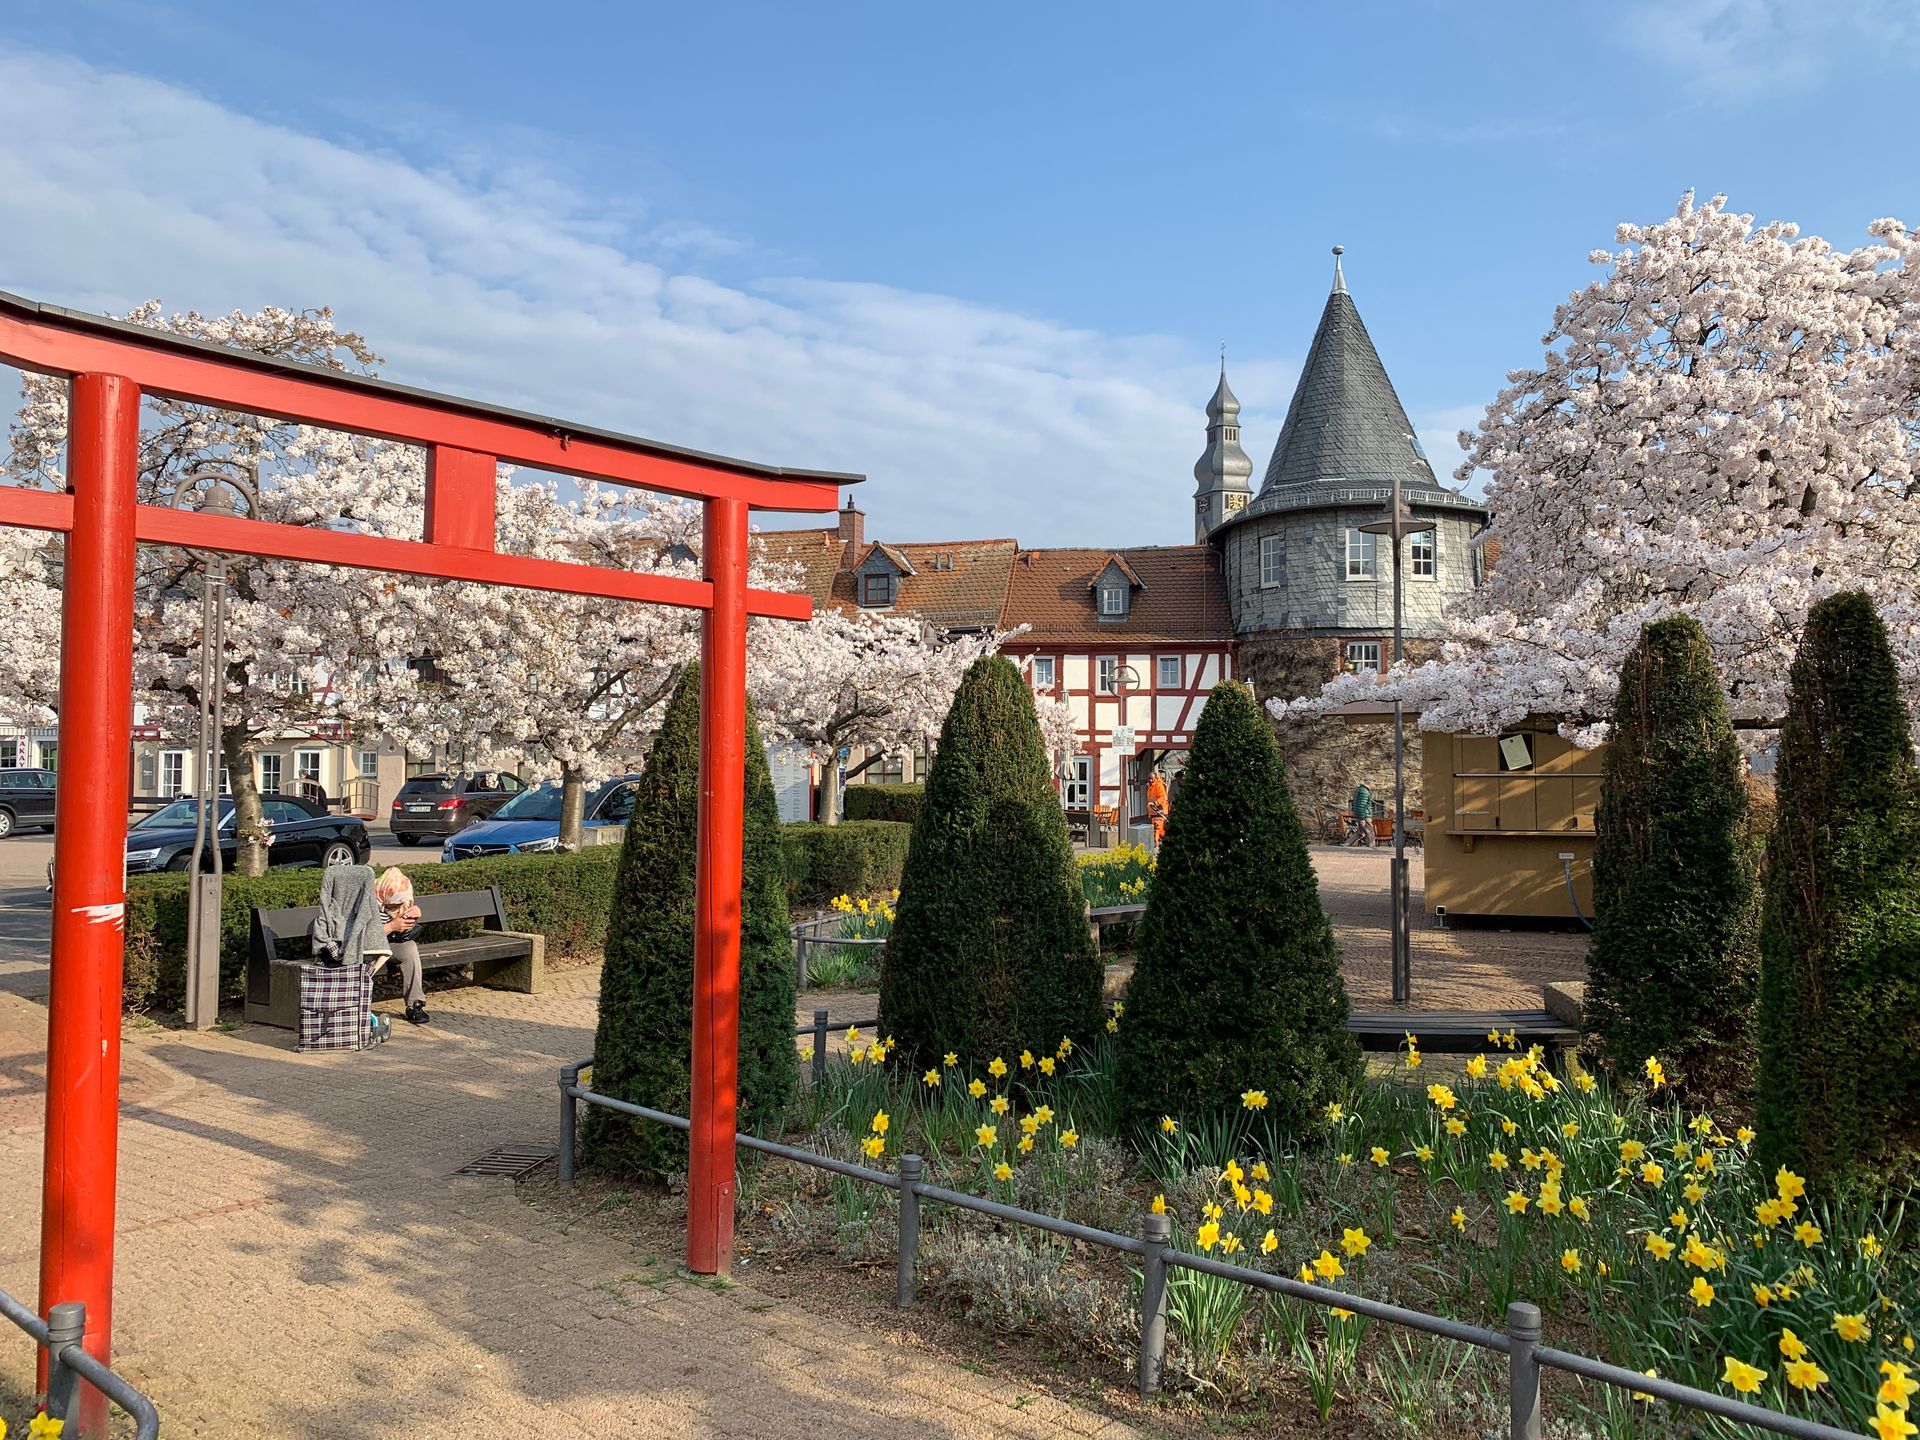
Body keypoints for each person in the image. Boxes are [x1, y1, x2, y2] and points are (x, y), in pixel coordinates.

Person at [374, 866, 430, 1025]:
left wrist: (412, 919)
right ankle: (358, 1004)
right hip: (368, 946)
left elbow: (401, 928)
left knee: (410, 949)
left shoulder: (401, 895)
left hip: (391, 942)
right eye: (395, 904)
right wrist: (391, 926)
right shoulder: (366, 900)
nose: (398, 907)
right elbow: (360, 935)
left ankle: (415, 1004)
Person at [1348, 778, 1376, 848]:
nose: (1374, 785)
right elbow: (1362, 805)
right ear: (1370, 783)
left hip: (1359, 814)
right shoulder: (1364, 792)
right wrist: (1362, 818)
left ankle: (1346, 844)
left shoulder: (1359, 789)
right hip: (1364, 815)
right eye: (1374, 783)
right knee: (1370, 832)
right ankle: (1371, 848)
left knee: (1360, 832)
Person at [1145, 769, 1169, 848]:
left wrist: (1155, 803)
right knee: (1157, 829)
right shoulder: (1150, 787)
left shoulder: (1159, 785)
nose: (1150, 780)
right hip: (1153, 812)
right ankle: (1158, 842)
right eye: (1149, 779)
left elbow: (1162, 797)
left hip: (1160, 811)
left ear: (1155, 778)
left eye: (1152, 778)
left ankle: (1156, 843)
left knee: (1158, 829)